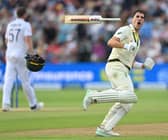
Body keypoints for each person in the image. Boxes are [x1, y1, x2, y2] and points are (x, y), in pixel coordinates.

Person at [83, 10, 155, 137]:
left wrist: (143, 66)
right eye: (137, 16)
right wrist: (126, 46)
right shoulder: (126, 30)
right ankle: (93, 96)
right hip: (116, 65)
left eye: (142, 17)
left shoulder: (137, 39)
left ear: (144, 21)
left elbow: (131, 62)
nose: (139, 19)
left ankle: (105, 128)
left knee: (127, 103)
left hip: (124, 68)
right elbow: (111, 42)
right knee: (128, 95)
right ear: (132, 19)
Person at [2, 7, 44, 111]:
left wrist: (12, 49)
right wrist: (32, 53)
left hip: (10, 54)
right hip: (21, 55)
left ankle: (6, 104)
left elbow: (6, 40)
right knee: (25, 81)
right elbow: (28, 40)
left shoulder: (10, 24)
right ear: (25, 15)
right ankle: (33, 105)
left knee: (8, 80)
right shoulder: (26, 25)